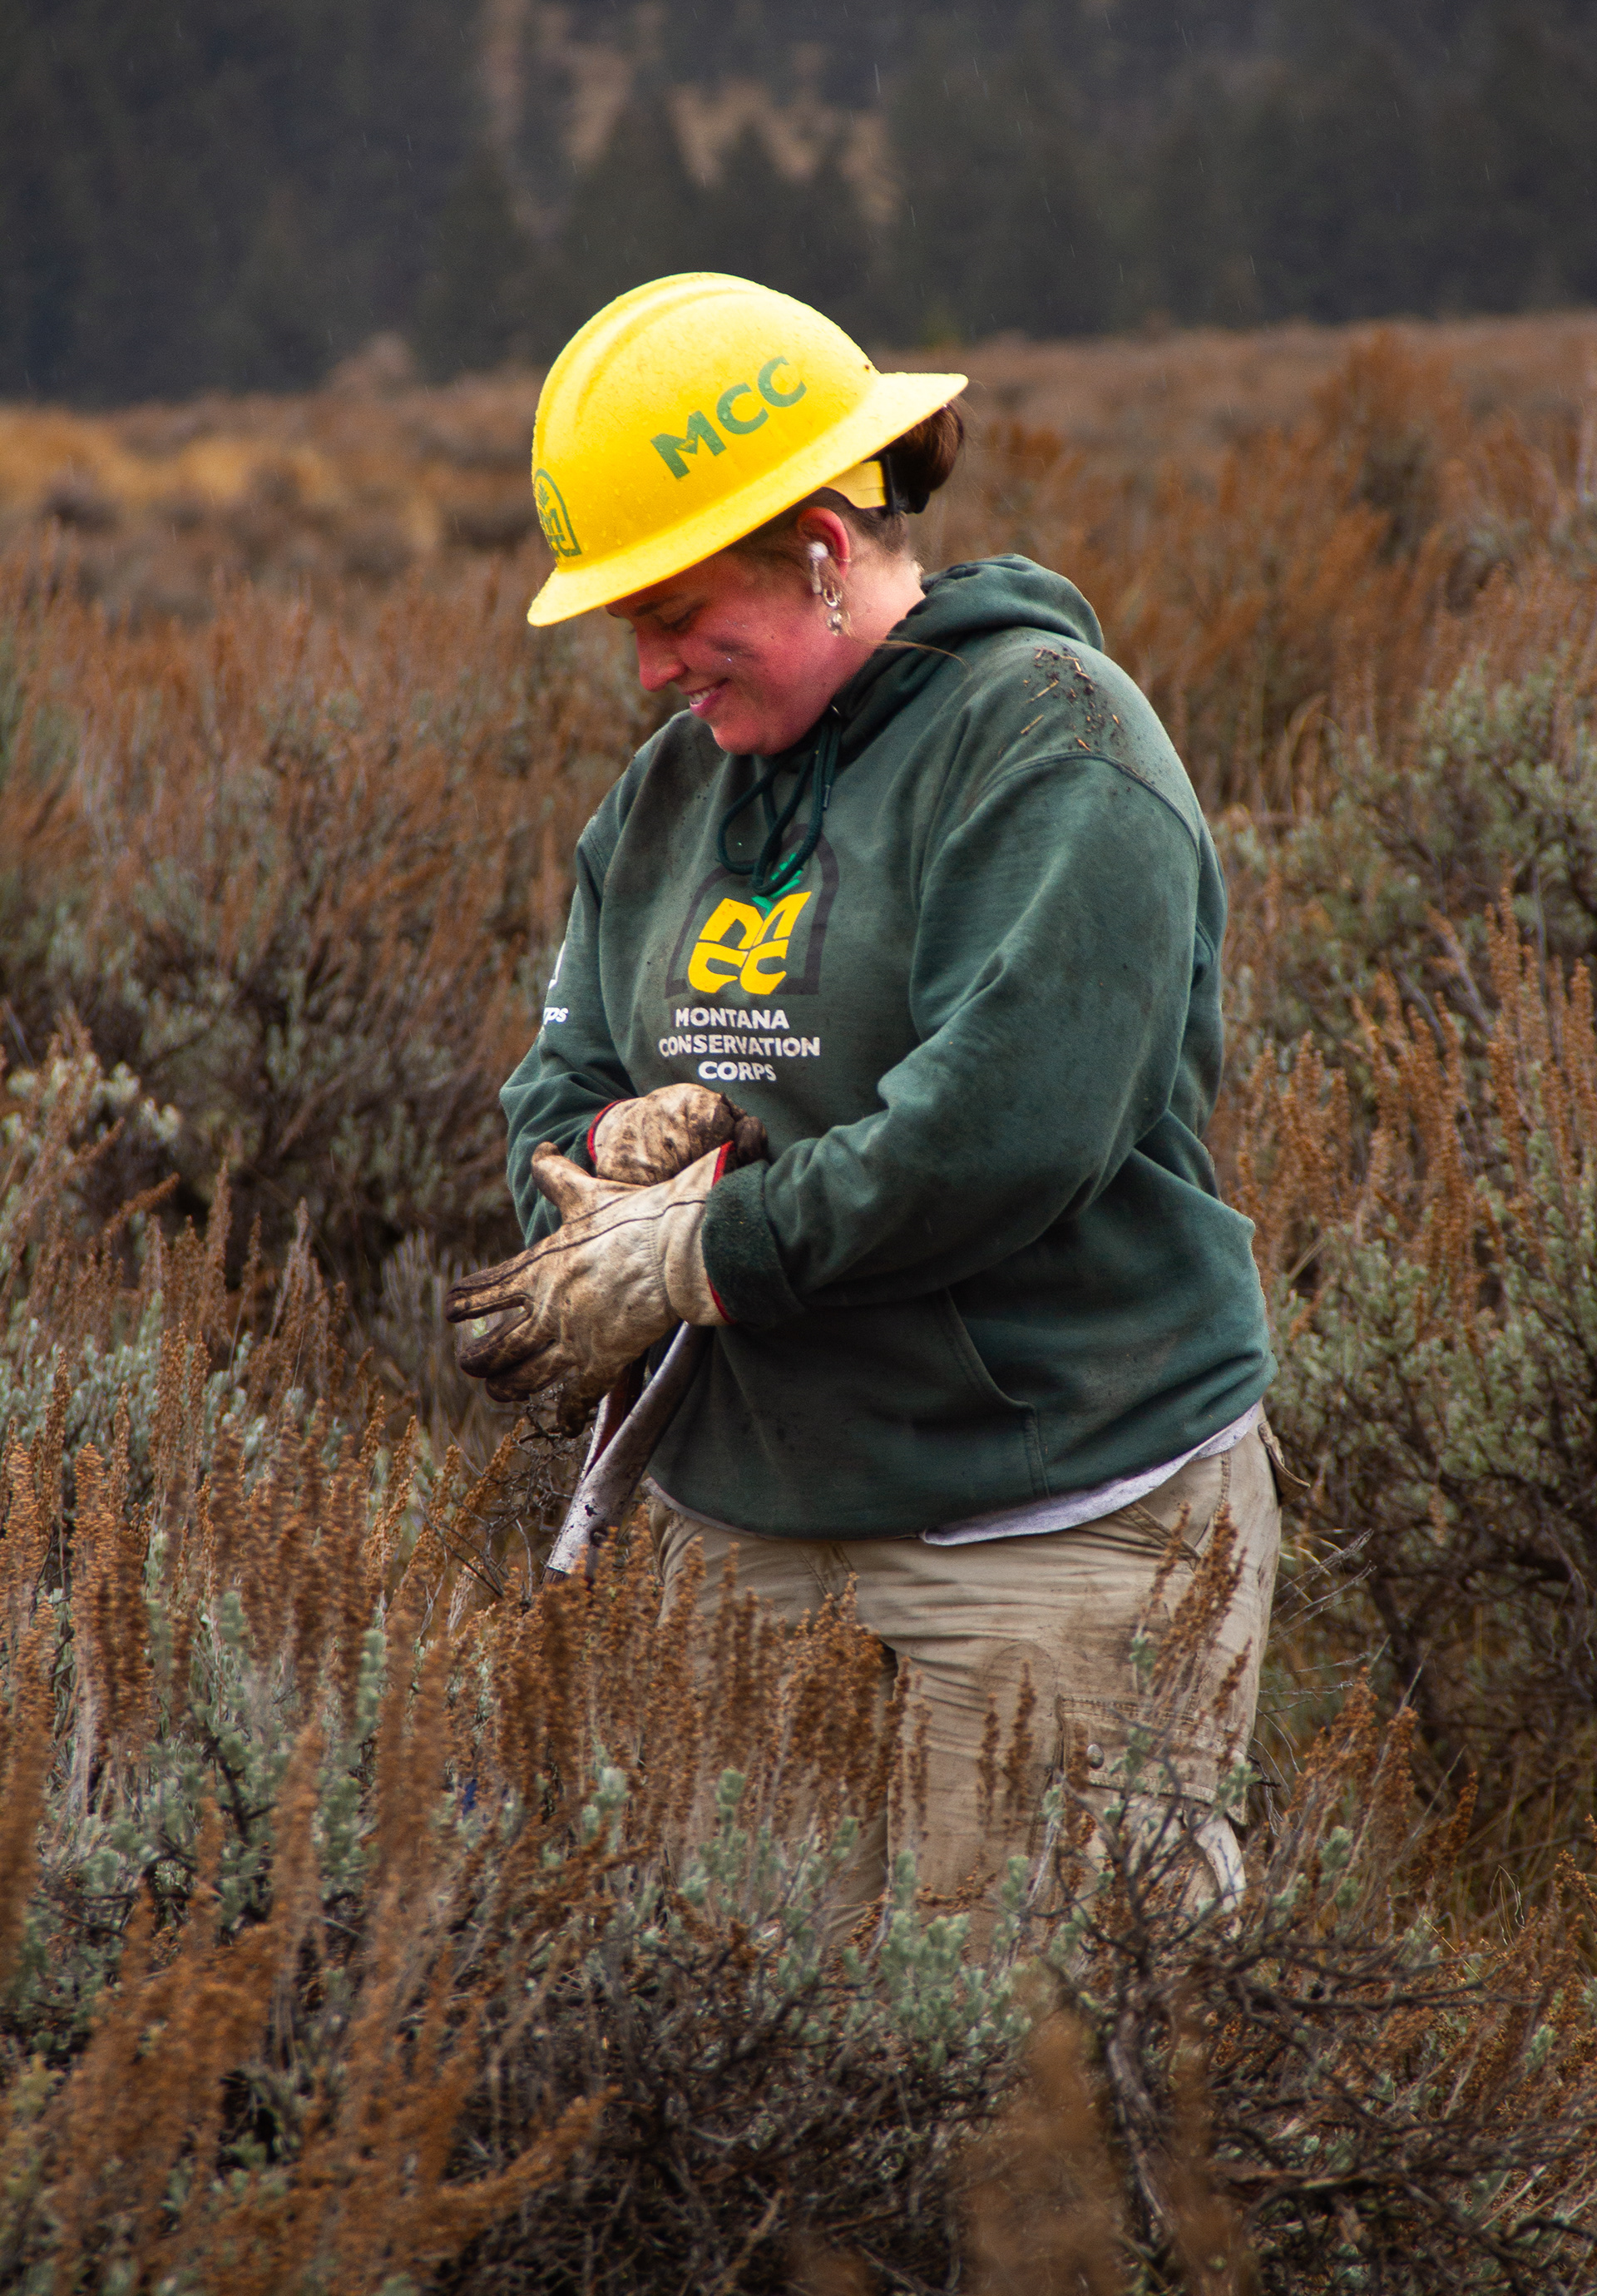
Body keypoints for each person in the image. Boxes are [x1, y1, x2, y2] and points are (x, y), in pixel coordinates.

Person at [447, 271, 1282, 1932]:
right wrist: (606, 1156)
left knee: (1048, 2075)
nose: (648, 667)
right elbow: (559, 1071)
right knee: (761, 2072)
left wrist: (699, 1257)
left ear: (826, 548)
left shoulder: (1052, 745)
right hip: (739, 1532)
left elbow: (1002, 1136)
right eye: (629, 621)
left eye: (679, 609)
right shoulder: (673, 791)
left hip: (1049, 1530)